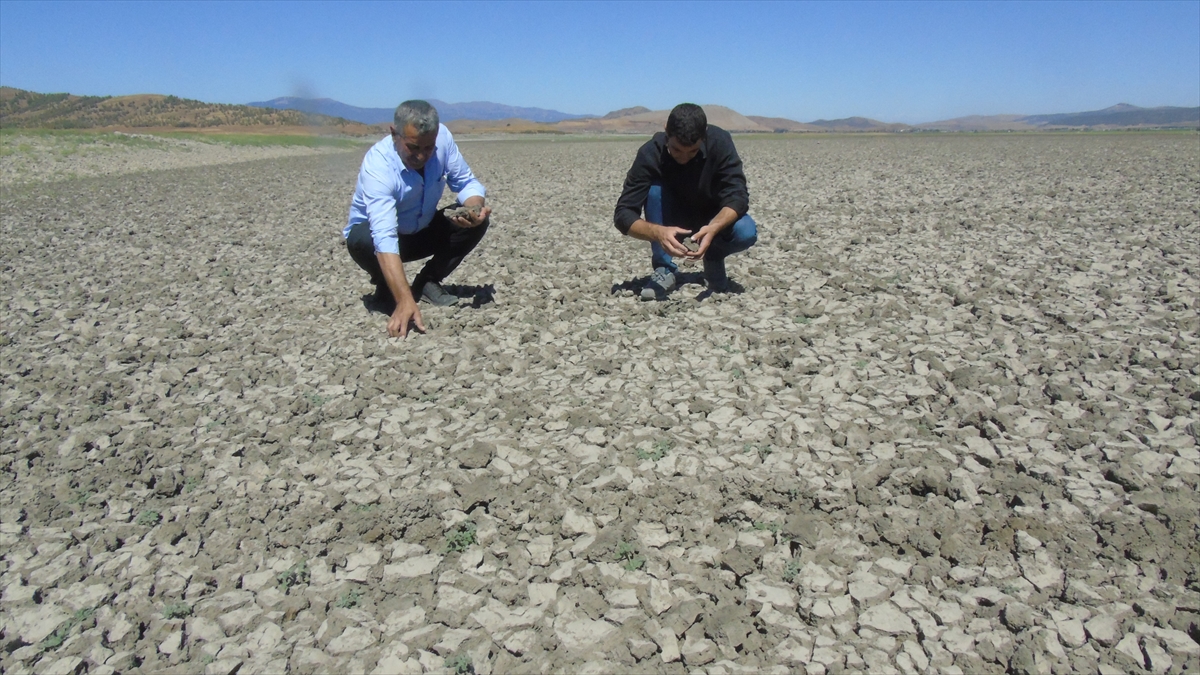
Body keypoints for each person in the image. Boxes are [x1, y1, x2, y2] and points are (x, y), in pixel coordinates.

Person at [344, 100, 491, 337]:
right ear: (394, 134)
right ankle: (387, 288)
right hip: (376, 240)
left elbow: (466, 182)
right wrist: (403, 300)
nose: (422, 155)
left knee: (477, 222)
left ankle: (427, 283)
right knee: (362, 239)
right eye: (413, 147)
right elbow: (384, 237)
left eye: (428, 147)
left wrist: (474, 209)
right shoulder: (378, 166)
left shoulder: (442, 138)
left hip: (421, 229)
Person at [613, 103, 757, 300]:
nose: (684, 158)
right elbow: (623, 214)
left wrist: (714, 227)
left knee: (745, 231)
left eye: (693, 151)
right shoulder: (650, 153)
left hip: (711, 217)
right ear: (666, 131)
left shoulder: (720, 142)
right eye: (676, 150)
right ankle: (664, 268)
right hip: (670, 219)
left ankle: (713, 256)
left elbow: (738, 196)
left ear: (704, 135)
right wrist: (658, 233)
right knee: (654, 190)